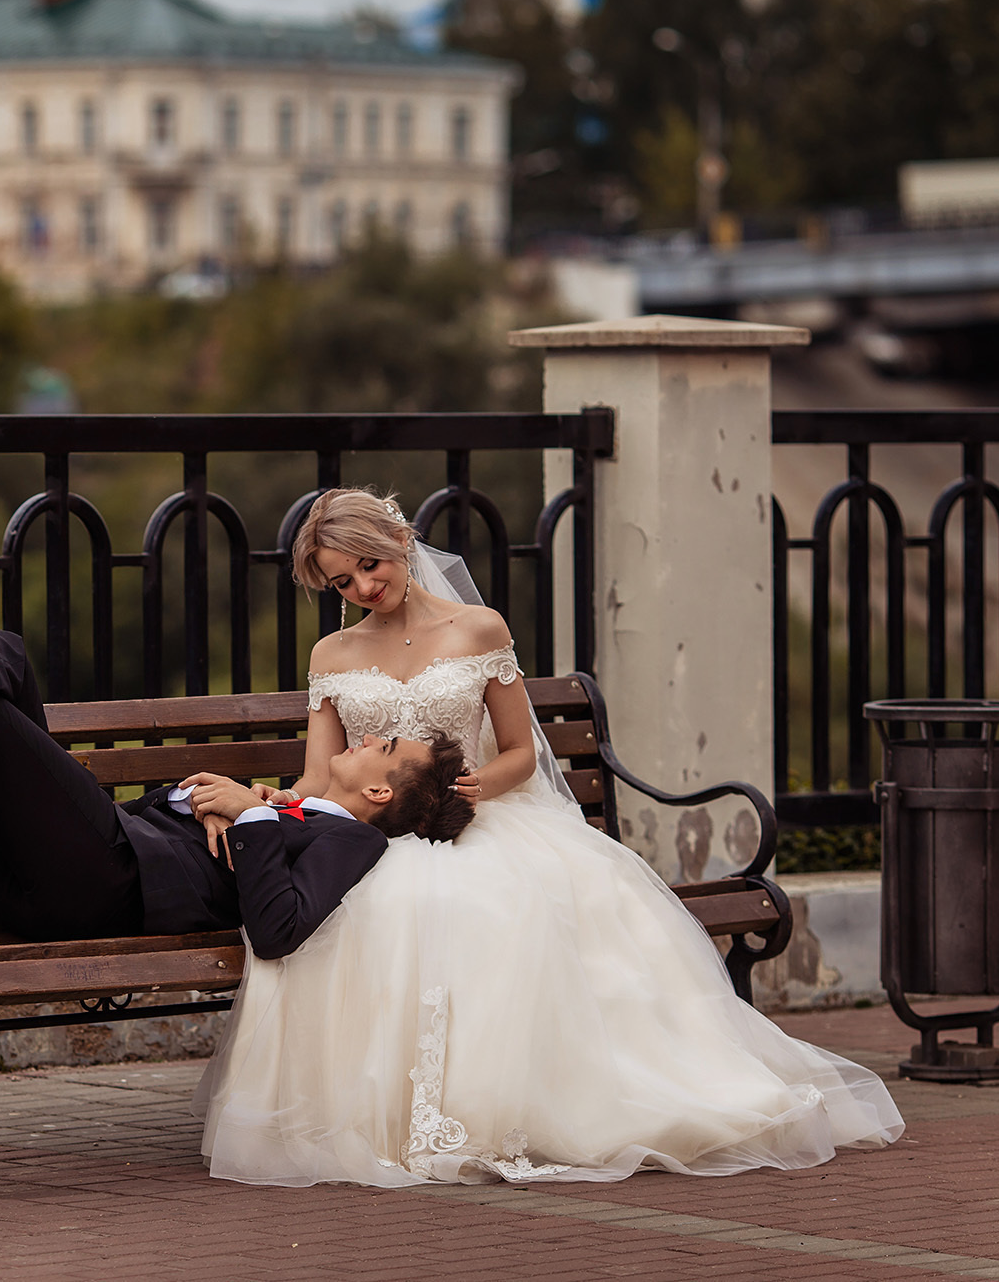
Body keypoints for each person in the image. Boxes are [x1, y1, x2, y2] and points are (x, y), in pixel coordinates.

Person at [188, 487, 904, 1187]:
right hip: (376, 833)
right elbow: (318, 776)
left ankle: (515, 1104)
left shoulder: (479, 629)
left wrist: (480, 784)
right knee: (364, 914)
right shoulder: (333, 653)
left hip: (478, 817)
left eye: (370, 565)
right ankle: (374, 1111)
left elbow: (520, 753)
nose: (364, 587)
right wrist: (267, 803)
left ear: (401, 541)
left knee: (504, 907)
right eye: (343, 581)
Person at [0, 528, 472, 961]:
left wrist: (247, 814)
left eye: (386, 744)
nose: (370, 733)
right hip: (89, 857)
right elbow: (244, 829)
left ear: (379, 790)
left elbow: (279, 929)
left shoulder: (351, 842)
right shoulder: (296, 804)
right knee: (7, 658)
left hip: (104, 888)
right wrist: (209, 800)